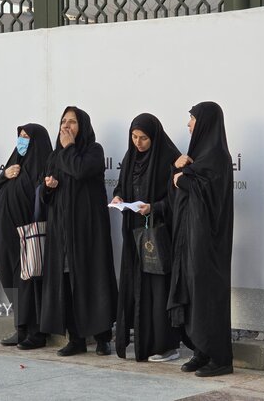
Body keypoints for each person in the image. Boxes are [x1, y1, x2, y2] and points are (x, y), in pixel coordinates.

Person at [40, 106, 118, 356]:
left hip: (88, 230)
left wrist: (69, 147)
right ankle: (76, 339)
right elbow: (43, 195)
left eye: (72, 122)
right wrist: (48, 188)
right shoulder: (54, 156)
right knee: (67, 282)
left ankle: (103, 337)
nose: (66, 126)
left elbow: (80, 170)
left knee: (94, 280)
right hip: (61, 232)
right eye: (63, 121)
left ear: (82, 125)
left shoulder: (93, 151)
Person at [168, 102, 234, 377]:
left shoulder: (217, 156)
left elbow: (205, 191)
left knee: (208, 295)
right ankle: (200, 351)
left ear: (205, 123)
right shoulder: (197, 156)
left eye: (192, 119)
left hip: (209, 243)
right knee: (194, 292)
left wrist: (182, 179)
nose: (189, 124)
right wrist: (178, 170)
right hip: (190, 238)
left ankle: (220, 358)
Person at [111, 113, 181, 362]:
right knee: (136, 288)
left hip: (157, 234)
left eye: (143, 138)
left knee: (157, 289)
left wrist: (154, 207)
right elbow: (121, 186)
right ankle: (142, 342)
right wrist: (119, 197)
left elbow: (176, 199)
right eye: (134, 137)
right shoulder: (130, 158)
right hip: (134, 233)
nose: (138, 143)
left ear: (154, 138)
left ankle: (166, 346)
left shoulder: (167, 159)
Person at [0, 124, 53, 349]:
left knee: (29, 282)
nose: (22, 140)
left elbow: (44, 198)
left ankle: (36, 333)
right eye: (20, 136)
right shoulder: (13, 161)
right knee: (10, 280)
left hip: (27, 235)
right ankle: (20, 328)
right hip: (3, 235)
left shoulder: (45, 164)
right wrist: (4, 176)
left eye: (27, 137)